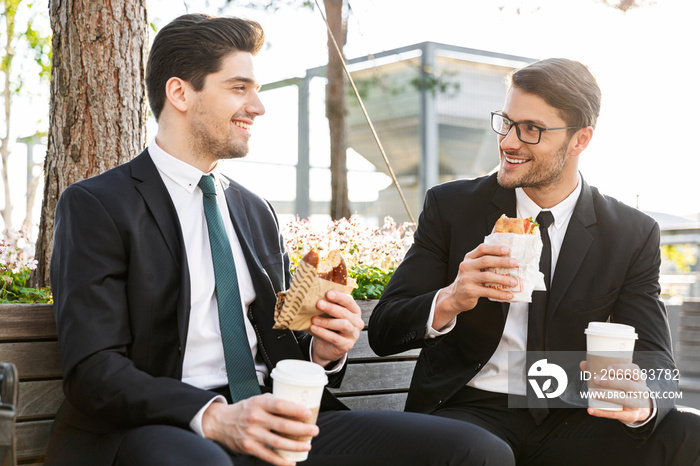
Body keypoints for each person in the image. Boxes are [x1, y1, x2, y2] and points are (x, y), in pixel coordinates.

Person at [43, 13, 515, 466]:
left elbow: (280, 346)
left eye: (257, 90)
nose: (258, 106)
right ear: (180, 93)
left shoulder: (255, 211)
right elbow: (94, 370)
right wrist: (216, 417)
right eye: (239, 88)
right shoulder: (98, 205)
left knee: (477, 452)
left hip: (275, 415)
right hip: (158, 426)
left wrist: (323, 353)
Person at [368, 58, 700, 465]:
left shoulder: (631, 233)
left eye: (531, 130)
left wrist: (641, 399)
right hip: (471, 409)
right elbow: (383, 331)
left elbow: (657, 362)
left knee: (690, 430)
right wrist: (451, 298)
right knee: (486, 453)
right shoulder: (452, 207)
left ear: (580, 140)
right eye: (506, 123)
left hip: (574, 414)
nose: (509, 141)